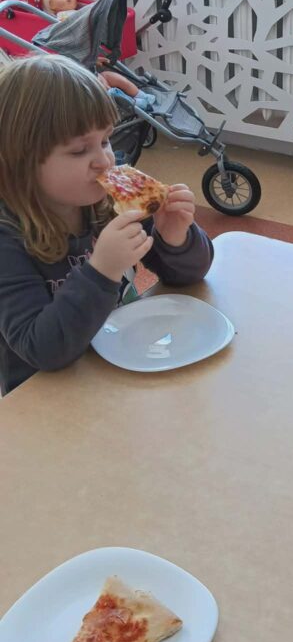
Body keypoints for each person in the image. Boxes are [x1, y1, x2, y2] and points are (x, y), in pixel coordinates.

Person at [0, 54, 213, 395]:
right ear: (19, 163)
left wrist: (175, 238)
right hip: (49, 400)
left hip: (121, 369)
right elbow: (41, 350)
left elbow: (186, 277)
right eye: (79, 150)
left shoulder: (108, 206)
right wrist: (101, 271)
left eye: (105, 140)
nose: (104, 161)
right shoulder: (8, 240)